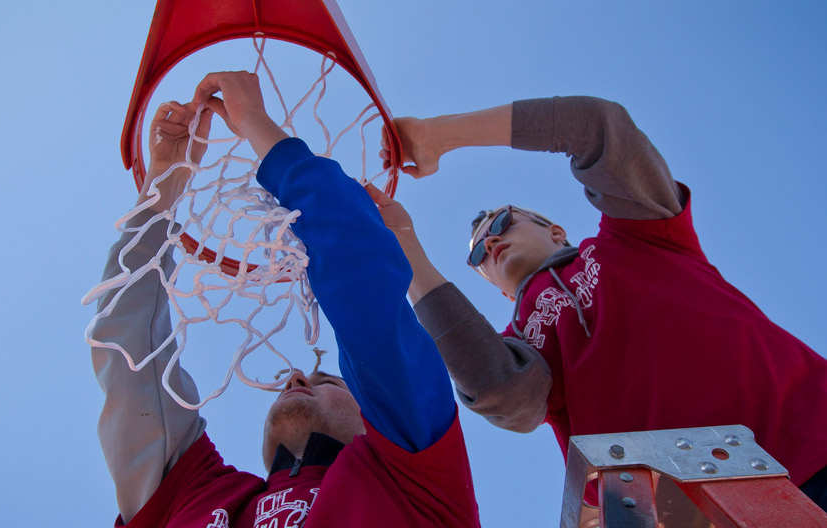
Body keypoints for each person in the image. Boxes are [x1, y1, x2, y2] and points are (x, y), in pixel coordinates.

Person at [369, 96, 827, 510]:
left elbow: (599, 128)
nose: (490, 241)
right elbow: (499, 391)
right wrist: (405, 246)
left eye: (504, 221)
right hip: (687, 511)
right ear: (497, 288)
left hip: (812, 436)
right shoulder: (522, 345)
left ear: (556, 231)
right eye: (477, 253)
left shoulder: (639, 234)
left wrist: (437, 136)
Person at [89, 71, 480, 528]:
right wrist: (166, 182)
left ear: (372, 410)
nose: (296, 376)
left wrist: (255, 121)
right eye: (322, 378)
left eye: (331, 380)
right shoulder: (194, 492)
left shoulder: (416, 477)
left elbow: (367, 299)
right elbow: (124, 345)